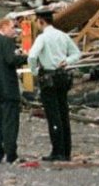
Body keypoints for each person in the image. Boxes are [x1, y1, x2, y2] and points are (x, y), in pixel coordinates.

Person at [27, 9, 82, 161]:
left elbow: (32, 56)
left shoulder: (43, 37)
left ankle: (57, 151)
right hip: (63, 76)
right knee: (64, 112)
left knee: (53, 115)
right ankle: (66, 150)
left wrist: (34, 71)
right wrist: (67, 61)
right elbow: (77, 53)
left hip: (49, 77)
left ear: (41, 21)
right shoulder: (63, 35)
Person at [0, 18, 28, 164]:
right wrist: (25, 57)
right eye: (13, 28)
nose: (15, 31)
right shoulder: (7, 42)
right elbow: (10, 60)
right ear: (3, 27)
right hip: (8, 88)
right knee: (10, 122)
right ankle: (11, 154)